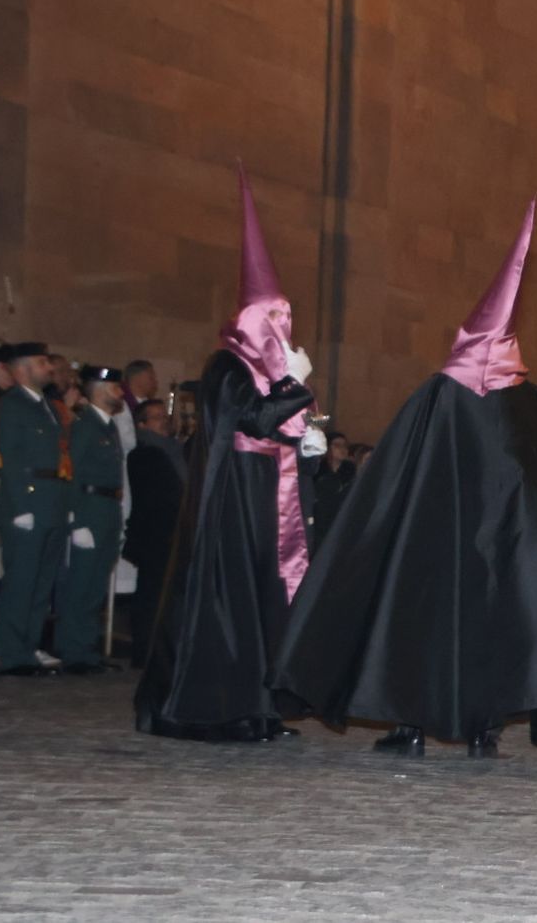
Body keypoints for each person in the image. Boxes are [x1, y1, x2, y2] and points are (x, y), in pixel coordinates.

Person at [273, 202, 537, 758]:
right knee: (491, 631)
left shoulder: (442, 395)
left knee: (422, 629)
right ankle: (482, 727)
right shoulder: (527, 402)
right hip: (500, 546)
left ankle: (414, 726)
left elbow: (397, 467)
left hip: (432, 540)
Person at [135, 164, 325, 741]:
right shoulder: (226, 367)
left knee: (268, 601)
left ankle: (262, 706)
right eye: (274, 319)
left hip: (266, 503)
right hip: (234, 504)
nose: (283, 328)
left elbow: (276, 427)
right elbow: (250, 419)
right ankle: (221, 708)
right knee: (234, 604)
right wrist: (295, 384)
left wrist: (304, 440)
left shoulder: (266, 375)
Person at [0, 344, 68, 677]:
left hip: (52, 499)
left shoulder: (47, 406)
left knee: (41, 584)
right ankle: (11, 654)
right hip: (29, 500)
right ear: (21, 369)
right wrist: (20, 505)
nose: (48, 368)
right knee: (22, 581)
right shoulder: (12, 404)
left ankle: (28, 647)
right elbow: (10, 456)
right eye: (41, 363)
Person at [57, 365, 126, 673]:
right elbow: (73, 472)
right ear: (98, 389)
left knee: (96, 584)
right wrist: (76, 519)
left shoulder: (108, 426)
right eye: (114, 386)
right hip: (89, 507)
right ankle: (73, 650)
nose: (120, 391)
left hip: (107, 508)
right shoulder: (85, 425)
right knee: (81, 583)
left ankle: (87, 649)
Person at [124, 398, 186, 669]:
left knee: (170, 594)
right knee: (151, 594)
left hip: (173, 533)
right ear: (142, 424)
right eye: (157, 417)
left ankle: (166, 648)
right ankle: (146, 649)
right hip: (156, 535)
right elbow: (158, 497)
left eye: (165, 416)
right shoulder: (144, 454)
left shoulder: (174, 450)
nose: (164, 421)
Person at [310, 431, 355, 548]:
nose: (343, 449)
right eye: (337, 445)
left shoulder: (352, 471)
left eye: (345, 445)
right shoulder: (317, 470)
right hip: (322, 522)